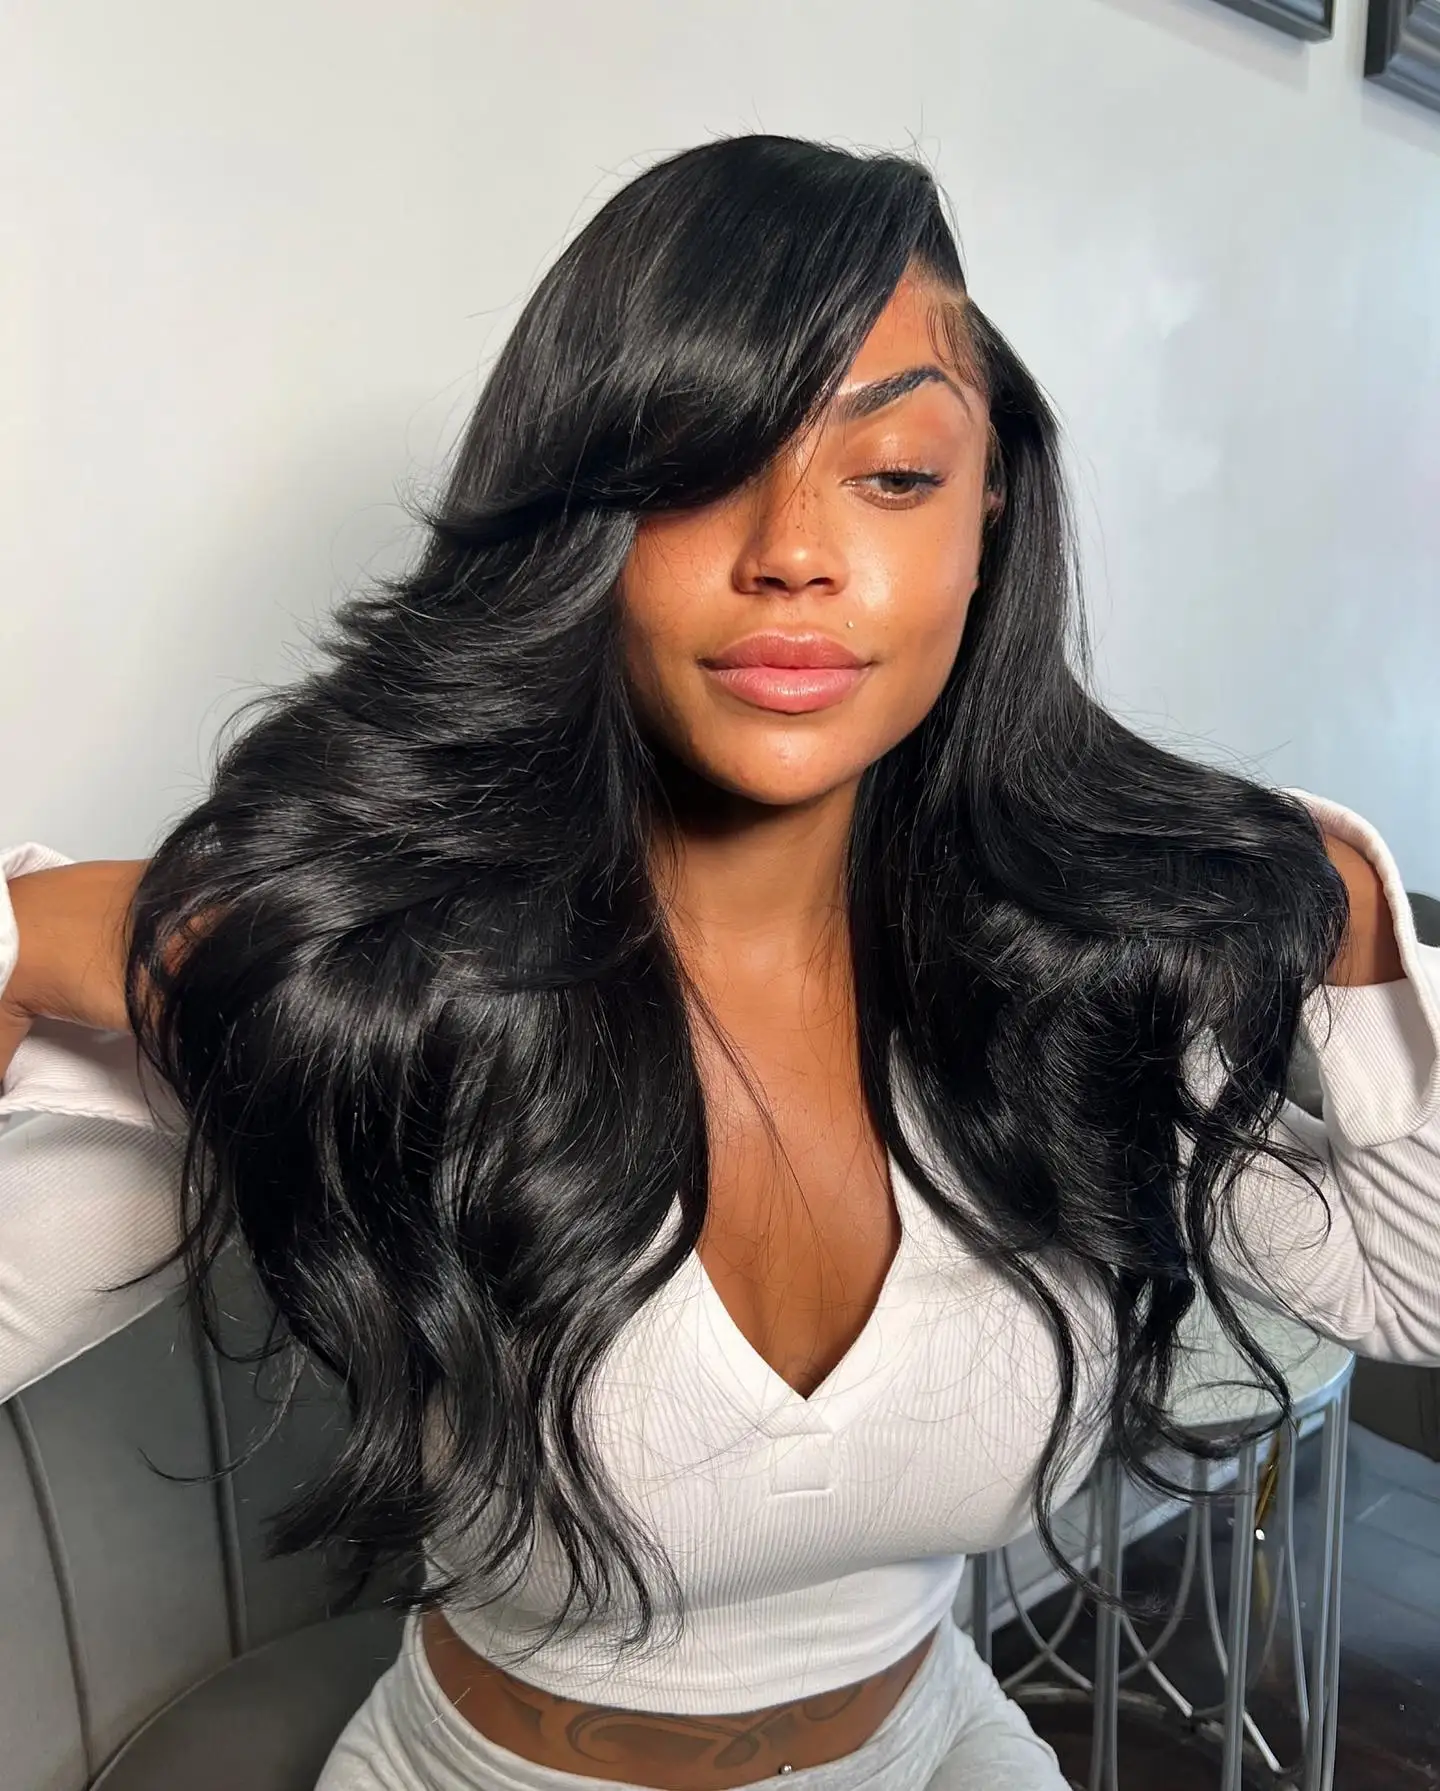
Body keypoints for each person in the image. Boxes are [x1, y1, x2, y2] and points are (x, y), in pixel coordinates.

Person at [1, 133, 1437, 1791]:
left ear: (988, 511)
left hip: (935, 1756)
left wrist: (1337, 896)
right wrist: (42, 937)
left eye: (890, 474)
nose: (793, 551)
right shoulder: (374, 1000)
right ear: (581, 526)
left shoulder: (1062, 995)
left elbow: (1411, 1280)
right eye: (696, 472)